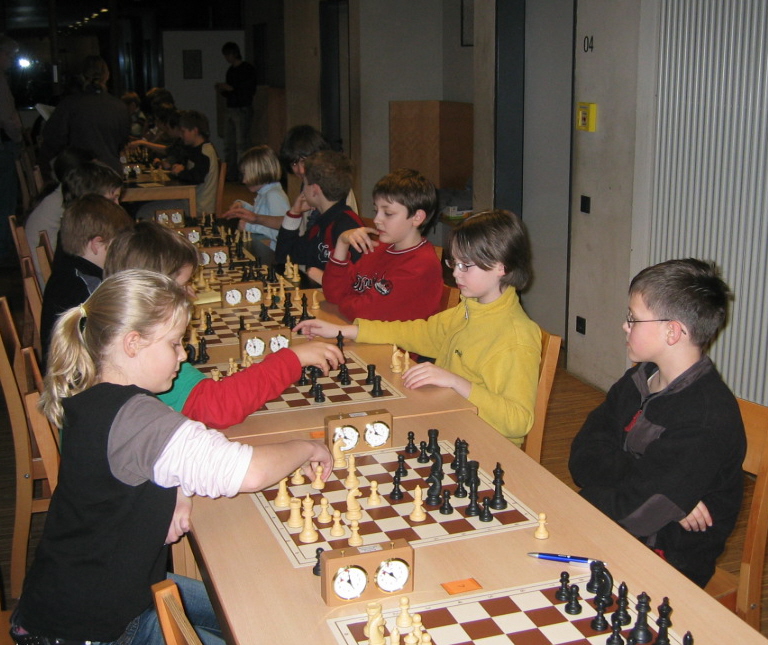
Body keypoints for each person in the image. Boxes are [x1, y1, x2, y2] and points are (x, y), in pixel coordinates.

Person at [11, 269, 333, 645]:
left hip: (90, 593)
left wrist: (173, 490)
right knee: (265, 621)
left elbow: (130, 470)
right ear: (133, 344)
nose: (183, 355)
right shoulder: (136, 417)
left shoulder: (96, 395)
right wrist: (307, 447)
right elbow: (250, 473)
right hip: (96, 628)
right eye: (174, 343)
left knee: (266, 613)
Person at [568, 258, 745, 587]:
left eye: (633, 318)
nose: (625, 326)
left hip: (666, 562)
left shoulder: (706, 417)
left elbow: (635, 515)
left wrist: (645, 490)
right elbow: (581, 456)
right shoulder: (639, 378)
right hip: (611, 528)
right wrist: (654, 483)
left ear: (672, 332)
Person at [295, 209, 542, 445]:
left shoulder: (516, 337)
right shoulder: (471, 308)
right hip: (448, 419)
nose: (456, 274)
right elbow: (419, 333)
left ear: (501, 267)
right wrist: (346, 331)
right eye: (454, 263)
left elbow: (518, 421)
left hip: (484, 443)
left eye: (466, 265)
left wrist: (456, 382)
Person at [104, 221, 345, 429]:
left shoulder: (115, 334)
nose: (191, 293)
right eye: (183, 286)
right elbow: (217, 405)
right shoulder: (148, 358)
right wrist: (293, 358)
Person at [322, 168, 443, 322]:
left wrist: (345, 300)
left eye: (388, 213)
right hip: (360, 331)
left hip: (393, 338)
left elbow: (364, 313)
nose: (377, 220)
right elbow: (333, 295)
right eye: (376, 211)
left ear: (417, 217)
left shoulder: (421, 265)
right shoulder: (378, 248)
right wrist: (341, 245)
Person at [40, 194, 133, 364]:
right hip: (79, 374)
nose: (122, 253)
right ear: (96, 245)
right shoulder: (88, 287)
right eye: (118, 246)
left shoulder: (68, 270)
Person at [274, 149, 363, 285]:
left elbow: (358, 282)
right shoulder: (321, 223)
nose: (303, 190)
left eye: (305, 184)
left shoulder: (348, 227)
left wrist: (323, 279)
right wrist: (294, 213)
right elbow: (284, 256)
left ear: (314, 189)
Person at [38, 55, 130, 176]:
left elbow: (53, 139)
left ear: (82, 76)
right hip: (111, 173)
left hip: (79, 174)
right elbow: (122, 141)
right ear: (107, 76)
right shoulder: (119, 106)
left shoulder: (69, 104)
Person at [135, 110, 218, 220]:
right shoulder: (196, 149)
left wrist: (181, 172)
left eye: (183, 132)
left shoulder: (204, 152)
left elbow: (196, 177)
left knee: (144, 213)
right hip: (190, 200)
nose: (181, 135)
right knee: (146, 207)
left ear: (194, 131)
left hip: (197, 206)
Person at [220, 144, 289, 263]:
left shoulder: (274, 195)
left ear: (259, 172)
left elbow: (282, 229)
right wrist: (242, 205)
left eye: (246, 175)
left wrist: (249, 226)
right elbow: (262, 214)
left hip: (273, 256)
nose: (244, 181)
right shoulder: (265, 192)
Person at [278, 124, 358, 225]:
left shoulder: (338, 186)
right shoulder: (306, 186)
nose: (301, 170)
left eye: (304, 161)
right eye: (294, 164)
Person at [215, 42, 257, 181]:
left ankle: (243, 174)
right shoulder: (230, 71)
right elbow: (230, 93)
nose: (227, 58)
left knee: (241, 144)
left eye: (228, 55)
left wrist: (230, 88)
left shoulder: (247, 69)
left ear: (234, 53)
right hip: (231, 107)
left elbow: (248, 90)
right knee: (229, 144)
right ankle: (230, 174)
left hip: (242, 108)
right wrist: (223, 90)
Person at [0, 35, 22, 267]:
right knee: (5, 201)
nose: (11, 61)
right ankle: (4, 249)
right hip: (3, 146)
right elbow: (7, 118)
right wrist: (18, 138)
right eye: (9, 55)